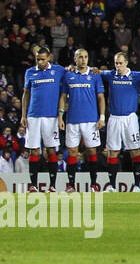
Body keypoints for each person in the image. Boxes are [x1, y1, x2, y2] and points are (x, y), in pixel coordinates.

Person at [103, 51, 140, 191]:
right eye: (116, 63)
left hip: (130, 118)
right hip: (114, 118)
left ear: (126, 63)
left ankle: (136, 185)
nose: (118, 66)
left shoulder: (136, 76)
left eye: (120, 63)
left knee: (135, 151)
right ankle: (111, 185)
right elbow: (96, 72)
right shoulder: (111, 75)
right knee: (113, 152)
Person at [59, 48, 105, 192]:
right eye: (80, 57)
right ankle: (71, 185)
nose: (83, 59)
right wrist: (60, 116)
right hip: (72, 120)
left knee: (91, 151)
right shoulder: (68, 75)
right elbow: (62, 97)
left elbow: (101, 97)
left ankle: (93, 184)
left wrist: (102, 117)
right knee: (72, 152)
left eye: (85, 57)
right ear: (75, 59)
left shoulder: (95, 75)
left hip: (91, 121)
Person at [20, 45, 65, 192]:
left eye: (43, 59)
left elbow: (73, 71)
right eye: (38, 59)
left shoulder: (58, 70)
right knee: (34, 150)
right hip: (33, 116)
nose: (39, 62)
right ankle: (33, 185)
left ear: (50, 57)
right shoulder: (30, 72)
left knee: (51, 150)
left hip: (51, 117)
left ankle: (52, 185)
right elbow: (26, 94)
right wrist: (23, 115)